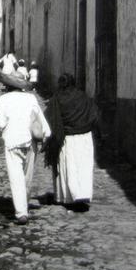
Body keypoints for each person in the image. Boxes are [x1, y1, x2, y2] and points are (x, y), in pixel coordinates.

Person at [0, 71, 51, 225]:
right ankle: (24, 203)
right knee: (27, 176)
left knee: (16, 176)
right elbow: (40, 119)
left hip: (12, 142)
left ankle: (21, 213)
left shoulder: (3, 99)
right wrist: (46, 134)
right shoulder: (31, 98)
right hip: (31, 141)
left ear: (7, 85)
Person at [44, 73, 98, 211]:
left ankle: (68, 196)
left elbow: (50, 119)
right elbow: (93, 115)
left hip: (67, 139)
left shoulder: (57, 99)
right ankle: (82, 193)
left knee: (69, 167)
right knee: (83, 167)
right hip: (84, 138)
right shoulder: (82, 97)